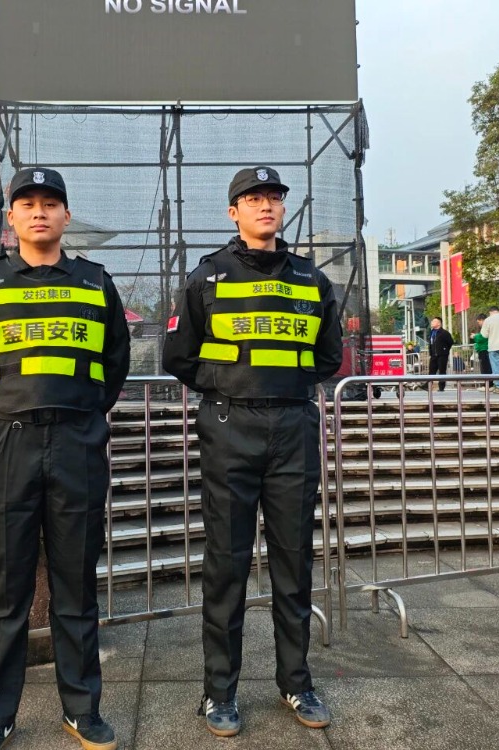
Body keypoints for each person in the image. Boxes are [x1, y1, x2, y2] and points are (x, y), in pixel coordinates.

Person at [0, 167, 131, 750]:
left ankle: (82, 709)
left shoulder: (95, 284)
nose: (39, 212)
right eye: (27, 203)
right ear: (11, 216)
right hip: (8, 444)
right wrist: (0, 409)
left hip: (77, 442)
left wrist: (82, 411)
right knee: (5, 594)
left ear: (66, 216)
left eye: (51, 203)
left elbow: (116, 362)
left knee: (77, 587)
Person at [162, 166, 342, 738]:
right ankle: (219, 692)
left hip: (293, 426)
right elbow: (178, 355)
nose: (265, 205)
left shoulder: (312, 279)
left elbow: (329, 355)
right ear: (233, 212)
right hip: (229, 427)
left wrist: (281, 384)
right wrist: (228, 386)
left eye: (273, 197)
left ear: (283, 209)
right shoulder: (207, 277)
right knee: (227, 564)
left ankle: (296, 682)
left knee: (294, 561)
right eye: (252, 198)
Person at [427, 316, 454, 390]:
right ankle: (428, 385)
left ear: (439, 323)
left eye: (434, 321)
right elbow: (431, 343)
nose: (432, 322)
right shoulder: (432, 332)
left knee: (442, 371)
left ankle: (441, 387)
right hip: (433, 355)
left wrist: (444, 350)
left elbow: (450, 342)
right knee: (431, 371)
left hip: (442, 355)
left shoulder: (444, 333)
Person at [473, 314, 491, 379]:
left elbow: (482, 338)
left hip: (484, 350)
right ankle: (487, 382)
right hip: (483, 350)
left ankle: (488, 382)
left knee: (485, 368)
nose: (478, 324)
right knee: (484, 368)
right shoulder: (485, 327)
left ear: (482, 320)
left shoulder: (486, 327)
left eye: (478, 322)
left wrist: (475, 336)